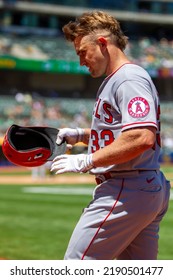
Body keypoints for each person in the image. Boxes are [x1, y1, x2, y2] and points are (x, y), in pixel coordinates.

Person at [50, 11, 170, 260]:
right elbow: (123, 132)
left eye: (83, 51)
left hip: (126, 187)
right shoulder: (121, 78)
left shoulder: (127, 79)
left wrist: (86, 160)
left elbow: (140, 137)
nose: (81, 61)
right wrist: (81, 135)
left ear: (103, 43)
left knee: (75, 268)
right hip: (142, 186)